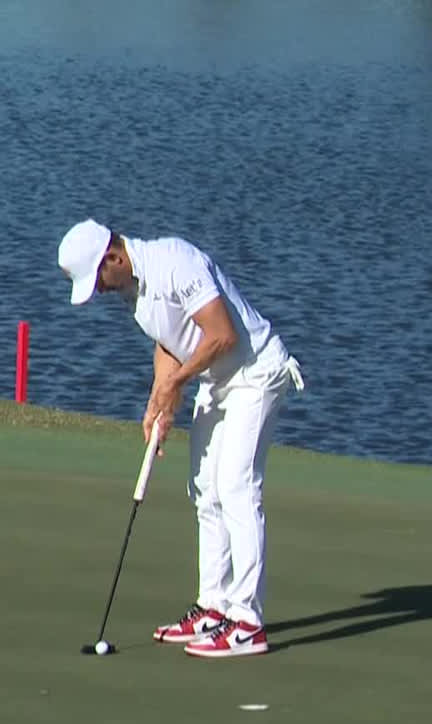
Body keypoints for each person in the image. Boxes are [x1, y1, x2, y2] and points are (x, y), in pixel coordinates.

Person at [57, 218, 304, 658]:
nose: (101, 291)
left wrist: (177, 386)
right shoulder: (134, 289)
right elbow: (169, 342)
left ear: (113, 257)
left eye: (99, 281)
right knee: (205, 489)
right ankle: (214, 606)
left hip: (256, 374)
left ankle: (247, 621)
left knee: (236, 487)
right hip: (216, 379)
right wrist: (158, 400)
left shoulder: (175, 262)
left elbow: (222, 335)